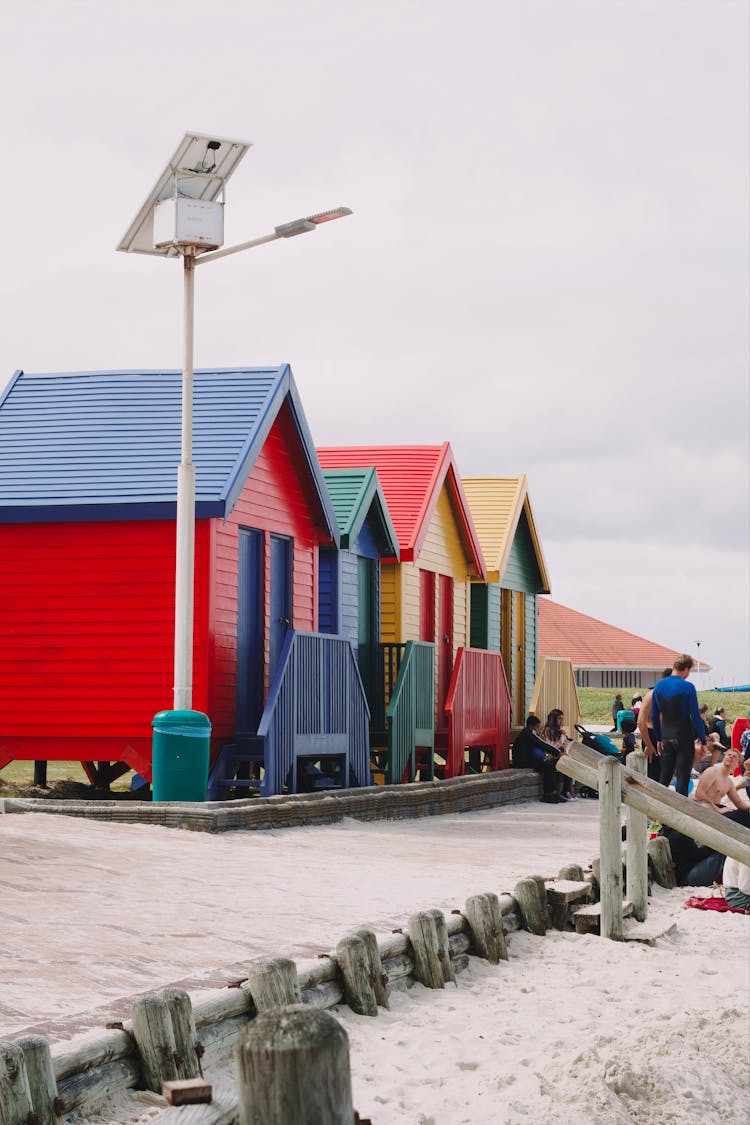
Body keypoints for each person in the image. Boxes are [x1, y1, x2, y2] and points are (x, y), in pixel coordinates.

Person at [651, 655, 706, 796]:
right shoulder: (687, 687)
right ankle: (680, 816)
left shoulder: (659, 686)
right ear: (686, 669)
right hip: (684, 737)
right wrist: (703, 741)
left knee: (664, 777)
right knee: (682, 779)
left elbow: (654, 716)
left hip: (666, 737)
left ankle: (657, 814)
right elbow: (695, 716)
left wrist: (658, 739)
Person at [512, 714, 563, 803]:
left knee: (552, 764)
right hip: (522, 762)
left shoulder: (527, 733)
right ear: (532, 726)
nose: (538, 729)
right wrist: (558, 753)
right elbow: (541, 744)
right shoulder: (528, 734)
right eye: (537, 727)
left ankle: (554, 793)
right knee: (549, 767)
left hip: (527, 759)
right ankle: (548, 794)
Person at [637, 668, 675, 782]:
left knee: (666, 776)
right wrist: (649, 745)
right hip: (652, 736)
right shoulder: (651, 695)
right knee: (653, 776)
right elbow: (640, 722)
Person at [692, 748, 750, 814]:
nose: (731, 756)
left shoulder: (729, 783)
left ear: (737, 765)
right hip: (703, 806)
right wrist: (718, 810)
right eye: (729, 755)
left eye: (734, 757)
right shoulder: (712, 771)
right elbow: (699, 795)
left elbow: (739, 803)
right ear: (723, 758)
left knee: (745, 816)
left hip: (716, 808)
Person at [541, 708, 574, 799]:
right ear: (553, 719)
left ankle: (567, 790)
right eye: (559, 719)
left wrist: (565, 738)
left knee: (569, 762)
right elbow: (551, 746)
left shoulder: (559, 732)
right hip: (549, 757)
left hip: (559, 756)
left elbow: (566, 744)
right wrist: (562, 736)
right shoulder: (547, 730)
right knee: (565, 763)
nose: (561, 721)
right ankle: (565, 791)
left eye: (562, 719)